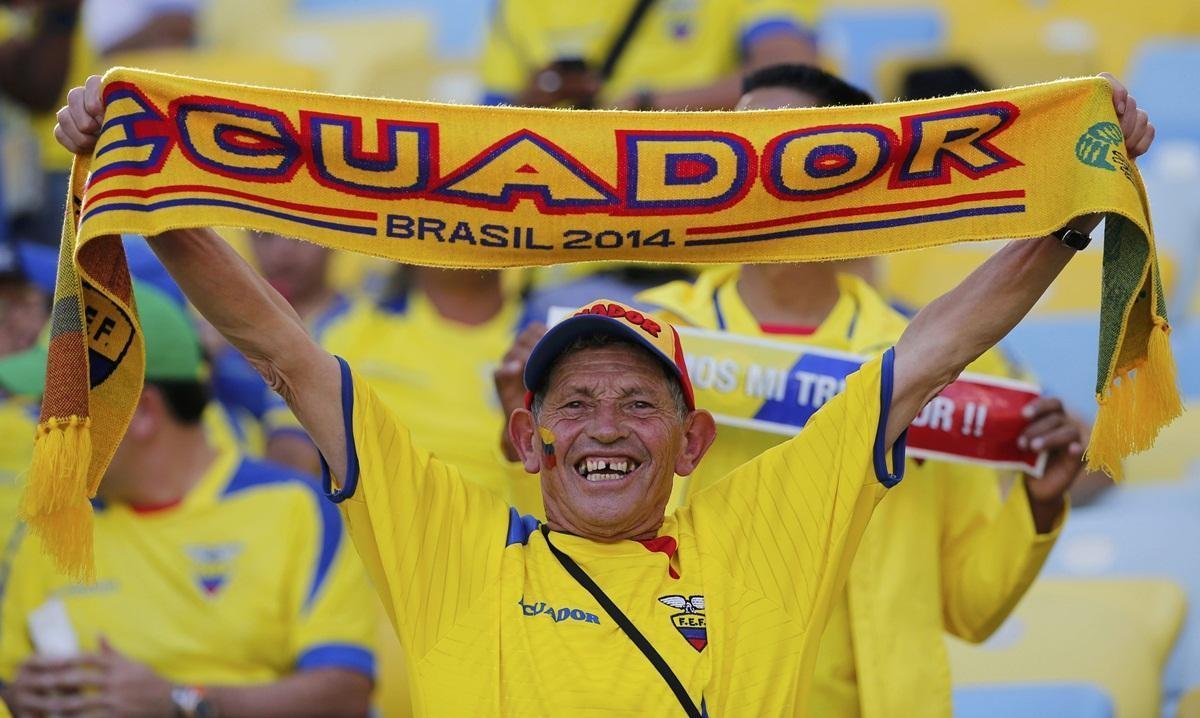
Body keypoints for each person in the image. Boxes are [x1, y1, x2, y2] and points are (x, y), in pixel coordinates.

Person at [51, 72, 1154, 715]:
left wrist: (1073, 206)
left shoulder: (761, 529)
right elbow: (285, 354)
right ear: (526, 434)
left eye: (640, 401)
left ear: (694, 440)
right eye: (574, 403)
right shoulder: (452, 546)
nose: (606, 428)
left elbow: (934, 352)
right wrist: (148, 184)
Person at [630, 64, 1088, 717]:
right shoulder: (640, 343)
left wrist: (1037, 506)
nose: (755, 170)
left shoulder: (944, 365)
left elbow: (969, 606)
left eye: (784, 146)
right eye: (737, 146)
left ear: (852, 179)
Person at [0, 283, 377, 718]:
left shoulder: (294, 508)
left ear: (142, 413)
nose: (42, 429)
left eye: (60, 406)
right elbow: (11, 674)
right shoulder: (50, 529)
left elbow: (345, 693)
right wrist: (17, 698)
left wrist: (181, 703)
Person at [480, 0, 817, 110]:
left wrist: (646, 106)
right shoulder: (519, 7)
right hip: (576, 228)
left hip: (713, 223)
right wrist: (533, 101)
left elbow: (792, 74)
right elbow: (487, 128)